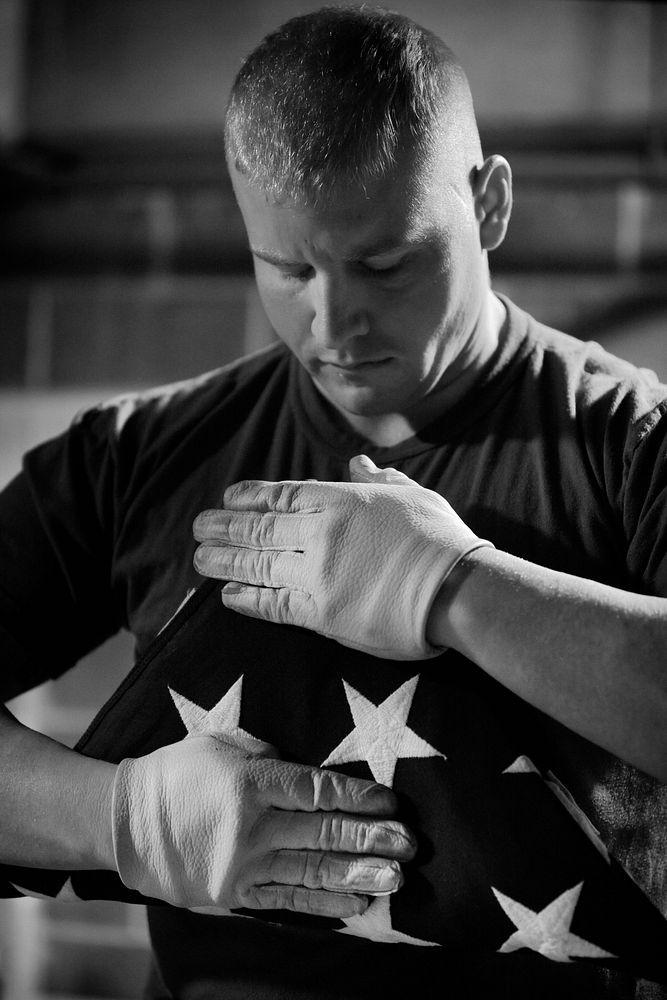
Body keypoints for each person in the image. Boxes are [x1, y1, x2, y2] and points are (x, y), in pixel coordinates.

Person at [0, 5, 665, 998]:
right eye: (289, 267)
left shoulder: (627, 440)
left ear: (488, 204)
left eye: (385, 263)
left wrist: (460, 591)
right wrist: (119, 816)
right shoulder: (136, 455)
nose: (334, 318)